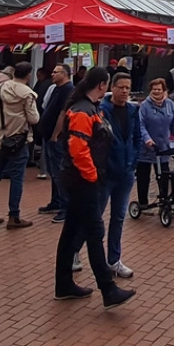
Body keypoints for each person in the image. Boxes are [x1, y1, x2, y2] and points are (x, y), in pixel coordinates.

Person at [52, 67, 135, 308]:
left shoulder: (87, 108)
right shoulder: (83, 110)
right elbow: (79, 149)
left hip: (79, 180)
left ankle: (64, 284)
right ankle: (108, 290)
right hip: (82, 182)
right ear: (102, 85)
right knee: (95, 232)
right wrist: (92, 176)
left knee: (71, 232)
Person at [0, 61, 41, 229]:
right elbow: (34, 119)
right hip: (18, 140)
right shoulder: (27, 93)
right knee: (17, 179)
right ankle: (14, 216)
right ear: (28, 75)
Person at [99, 72, 142, 277]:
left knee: (118, 217)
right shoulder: (101, 110)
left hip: (126, 173)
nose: (125, 91)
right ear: (112, 88)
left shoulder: (133, 110)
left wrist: (133, 161)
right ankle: (75, 252)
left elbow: (136, 137)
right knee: (95, 217)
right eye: (121, 87)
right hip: (106, 174)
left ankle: (114, 260)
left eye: (128, 88)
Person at [135, 76, 174, 210]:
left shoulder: (170, 104)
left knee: (163, 176)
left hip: (163, 148)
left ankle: (164, 201)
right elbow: (140, 125)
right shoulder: (145, 106)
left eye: (159, 89)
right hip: (146, 147)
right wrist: (147, 139)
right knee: (143, 177)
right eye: (154, 89)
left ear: (164, 90)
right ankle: (143, 203)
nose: (156, 92)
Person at [37, 64, 75, 218]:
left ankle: (66, 206)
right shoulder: (56, 88)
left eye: (56, 72)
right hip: (48, 136)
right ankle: (56, 201)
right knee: (53, 171)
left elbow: (63, 114)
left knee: (59, 171)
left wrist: (56, 134)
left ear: (65, 74)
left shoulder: (68, 90)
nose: (52, 74)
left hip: (57, 138)